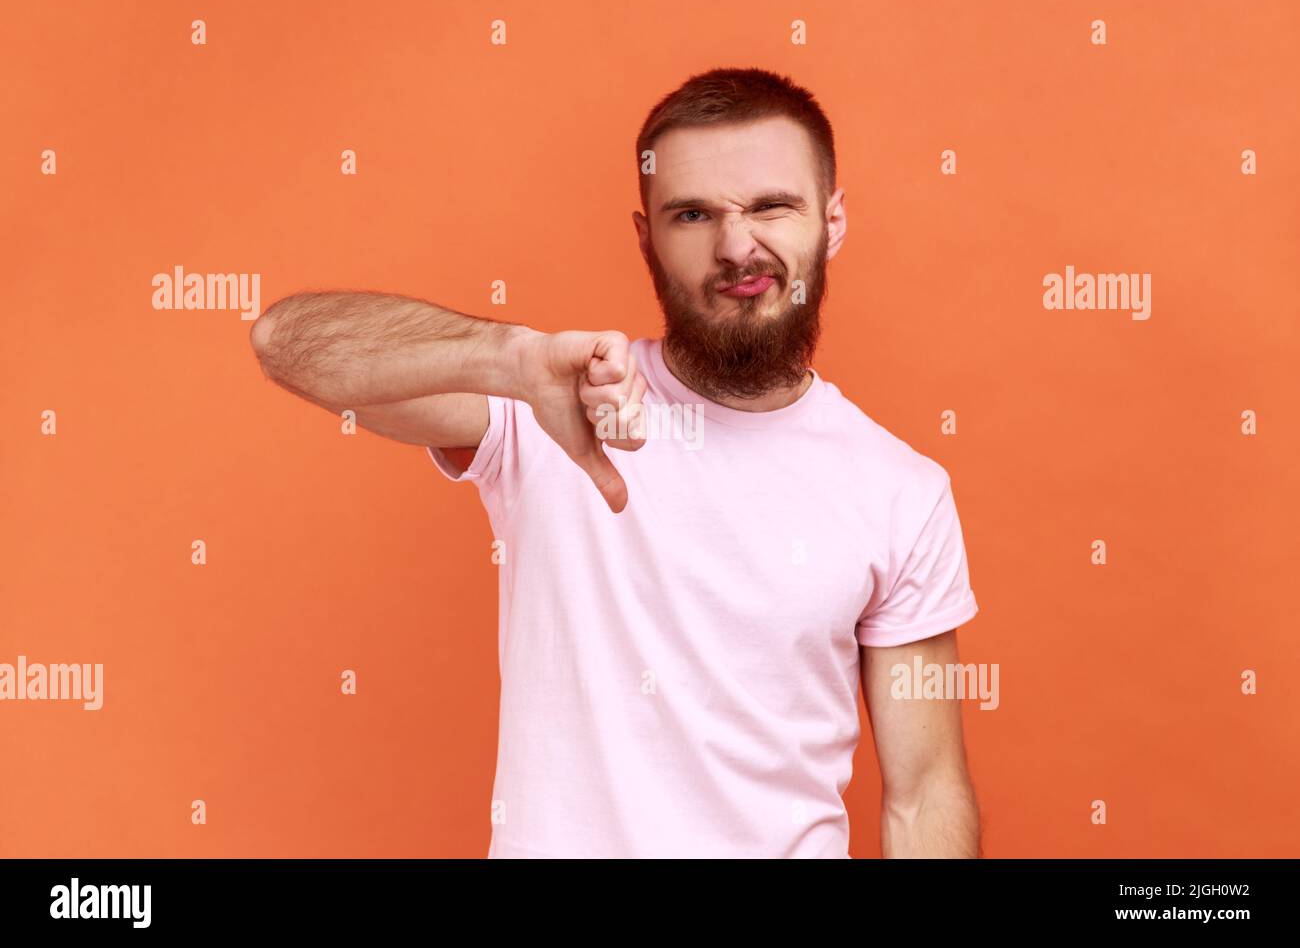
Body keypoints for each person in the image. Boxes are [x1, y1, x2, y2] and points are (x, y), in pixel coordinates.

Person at [250, 67, 982, 858]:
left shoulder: (902, 492)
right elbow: (286, 345)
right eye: (693, 213)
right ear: (647, 238)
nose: (737, 247)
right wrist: (505, 356)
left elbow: (926, 793)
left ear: (832, 220)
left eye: (771, 205)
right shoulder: (552, 404)